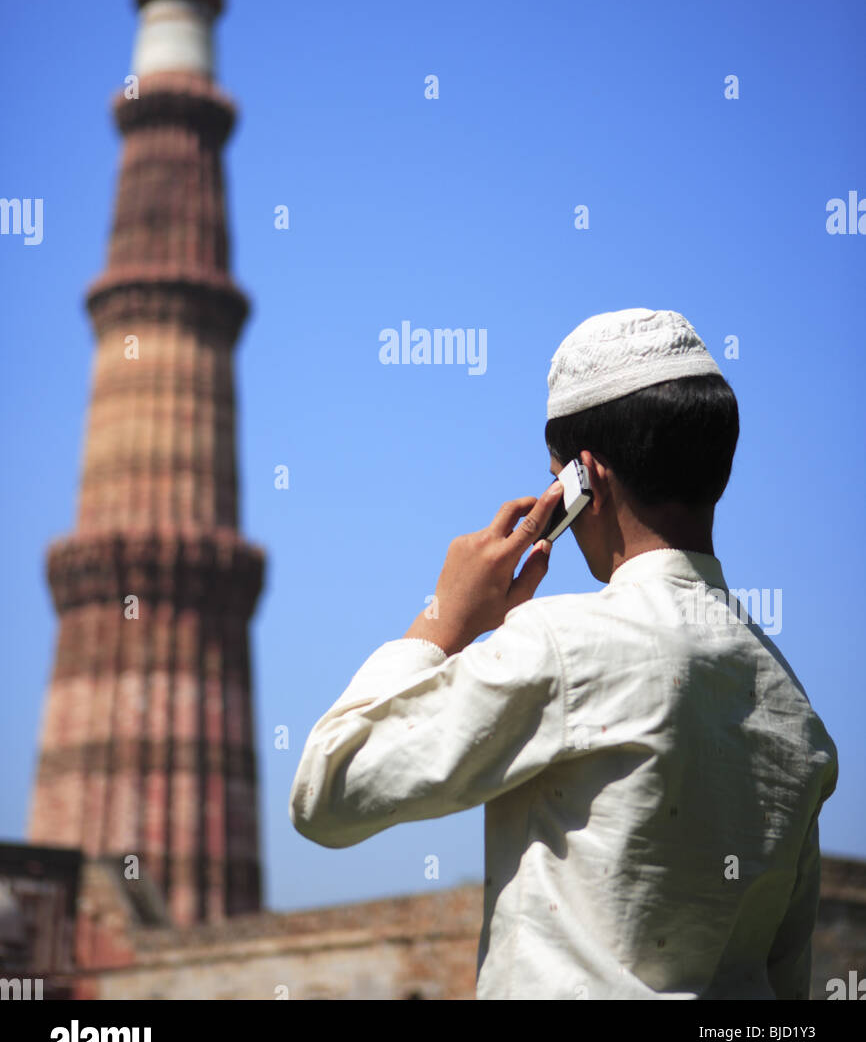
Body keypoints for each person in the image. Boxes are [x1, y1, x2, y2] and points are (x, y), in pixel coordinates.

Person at [289, 308, 838, 1000]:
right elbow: (783, 984)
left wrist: (444, 621)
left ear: (585, 480)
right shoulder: (795, 710)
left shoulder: (563, 645)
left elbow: (327, 790)